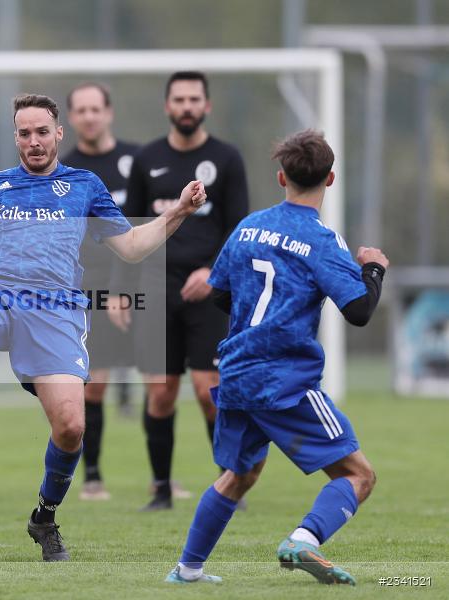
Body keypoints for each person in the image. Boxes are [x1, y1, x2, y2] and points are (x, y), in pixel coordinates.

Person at [0, 94, 206, 561]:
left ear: (58, 134)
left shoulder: (84, 185)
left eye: (41, 132)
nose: (33, 141)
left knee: (71, 427)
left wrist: (177, 213)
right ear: (16, 137)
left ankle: (44, 517)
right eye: (24, 133)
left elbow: (131, 247)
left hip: (54, 311)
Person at [164, 130, 384, 585]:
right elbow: (359, 310)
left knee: (240, 474)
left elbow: (221, 295)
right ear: (332, 178)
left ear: (281, 176)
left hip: (238, 373)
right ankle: (304, 539)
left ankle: (188, 570)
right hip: (284, 380)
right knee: (359, 476)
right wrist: (373, 268)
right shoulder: (323, 240)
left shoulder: (248, 226)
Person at [109, 71, 250, 511]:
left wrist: (212, 272)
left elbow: (237, 227)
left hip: (210, 292)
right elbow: (126, 228)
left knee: (211, 390)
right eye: (179, 99)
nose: (187, 106)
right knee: (162, 391)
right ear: (167, 106)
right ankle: (162, 489)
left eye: (194, 99)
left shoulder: (226, 159)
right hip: (156, 288)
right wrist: (119, 290)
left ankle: (228, 484)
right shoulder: (148, 158)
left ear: (206, 106)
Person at [61, 82, 140, 501]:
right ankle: (92, 477)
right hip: (88, 285)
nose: (90, 116)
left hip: (137, 278)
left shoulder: (136, 161)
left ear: (108, 112)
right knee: (96, 383)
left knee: (160, 380)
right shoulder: (64, 171)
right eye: (81, 110)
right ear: (71, 119)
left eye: (96, 109)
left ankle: (162, 481)